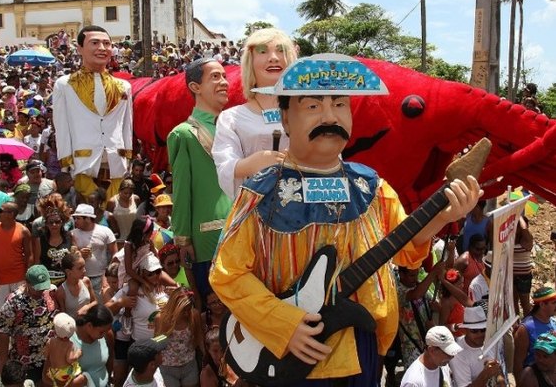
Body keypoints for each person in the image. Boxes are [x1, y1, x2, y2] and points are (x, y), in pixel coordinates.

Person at [209, 54, 482, 384]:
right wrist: (284, 322)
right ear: (285, 117)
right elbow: (228, 274)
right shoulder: (262, 190)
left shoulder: (370, 186)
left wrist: (443, 217)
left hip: (360, 345)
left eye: (340, 105)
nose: (330, 116)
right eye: (313, 107)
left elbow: (406, 250)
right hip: (284, 352)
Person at [167, 58, 233, 303]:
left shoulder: (235, 128)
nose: (224, 82)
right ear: (195, 87)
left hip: (243, 233)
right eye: (215, 77)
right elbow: (182, 191)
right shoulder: (184, 134)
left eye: (224, 76)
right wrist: (183, 238)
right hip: (208, 239)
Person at [212, 28, 297, 199]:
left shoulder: (311, 113)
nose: (273, 57)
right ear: (250, 61)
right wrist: (250, 164)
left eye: (281, 50)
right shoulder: (231, 118)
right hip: (255, 214)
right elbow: (225, 166)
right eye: (263, 51)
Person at [53, 25, 133, 200]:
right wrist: (65, 163)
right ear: (80, 48)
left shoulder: (124, 86)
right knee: (89, 215)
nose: (102, 48)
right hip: (83, 162)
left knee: (115, 216)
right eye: (95, 43)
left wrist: (127, 155)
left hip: (116, 161)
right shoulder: (64, 84)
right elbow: (61, 127)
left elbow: (127, 125)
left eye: (106, 43)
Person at [0, 265, 58, 384]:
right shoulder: (13, 302)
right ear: (27, 283)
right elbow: (3, 333)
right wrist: (2, 363)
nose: (41, 291)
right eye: (37, 288)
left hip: (49, 358)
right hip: (25, 361)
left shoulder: (51, 292)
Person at [0, 201, 33, 330]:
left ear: (11, 214)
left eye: (1, 210)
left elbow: (29, 255)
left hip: (19, 280)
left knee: (20, 317)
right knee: (0, 319)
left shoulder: (23, 231)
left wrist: (27, 278)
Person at [397, 263, 444, 369]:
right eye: (412, 275)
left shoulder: (418, 285)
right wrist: (433, 272)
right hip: (411, 346)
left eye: (417, 274)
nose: (415, 278)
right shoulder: (398, 290)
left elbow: (434, 303)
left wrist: (436, 307)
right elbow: (416, 294)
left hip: (428, 342)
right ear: (401, 274)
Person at [154, 287, 203, 386]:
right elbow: (157, 342)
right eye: (182, 310)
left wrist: (205, 355)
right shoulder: (161, 318)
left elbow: (199, 337)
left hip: (189, 364)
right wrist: (166, 332)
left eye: (188, 310)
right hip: (167, 366)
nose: (186, 313)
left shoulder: (194, 315)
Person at [71, 203, 117, 300]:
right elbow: (70, 257)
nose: (75, 221)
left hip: (101, 278)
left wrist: (107, 276)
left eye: (78, 218)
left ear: (87, 218)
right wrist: (79, 254)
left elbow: (115, 254)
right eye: (75, 218)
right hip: (81, 278)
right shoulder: (73, 234)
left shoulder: (105, 231)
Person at [449, 306, 504, 387]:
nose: (480, 334)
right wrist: (485, 375)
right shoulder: (458, 353)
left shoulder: (493, 341)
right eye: (474, 331)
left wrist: (501, 381)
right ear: (465, 331)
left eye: (483, 330)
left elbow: (499, 370)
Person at [513, 286, 556, 383]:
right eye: (554, 303)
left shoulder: (554, 323)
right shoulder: (525, 329)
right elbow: (518, 363)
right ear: (542, 304)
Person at [69, 304, 114, 387]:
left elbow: (110, 358)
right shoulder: (69, 341)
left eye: (106, 331)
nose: (104, 335)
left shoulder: (108, 335)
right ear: (89, 325)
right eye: (101, 332)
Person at [35, 207, 72, 286]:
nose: (54, 225)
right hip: (46, 283)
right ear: (46, 224)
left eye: (57, 222)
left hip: (66, 283)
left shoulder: (70, 237)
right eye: (51, 222)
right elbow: (36, 262)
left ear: (62, 222)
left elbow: (75, 258)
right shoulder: (40, 240)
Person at [45, 312, 83, 387]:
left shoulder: (51, 341)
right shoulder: (69, 345)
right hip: (64, 373)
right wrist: (78, 354)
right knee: (78, 368)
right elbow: (70, 359)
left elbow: (46, 354)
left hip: (53, 371)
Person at [56, 250, 98, 317]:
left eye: (84, 267)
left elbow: (95, 302)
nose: (84, 270)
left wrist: (87, 307)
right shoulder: (61, 292)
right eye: (80, 268)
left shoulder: (86, 281)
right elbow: (63, 316)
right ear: (68, 272)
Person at [106, 178, 140, 243]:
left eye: (130, 193)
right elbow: (108, 220)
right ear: (119, 191)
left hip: (133, 239)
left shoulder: (136, 199)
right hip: (118, 240)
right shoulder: (112, 202)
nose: (128, 195)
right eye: (125, 193)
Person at [513, 216, 534, 317]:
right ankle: (516, 326)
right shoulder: (510, 239)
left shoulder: (527, 240)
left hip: (524, 277)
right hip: (511, 277)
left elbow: (525, 229)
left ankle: (527, 327)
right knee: (513, 303)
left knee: (525, 304)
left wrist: (518, 215)